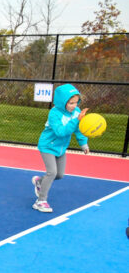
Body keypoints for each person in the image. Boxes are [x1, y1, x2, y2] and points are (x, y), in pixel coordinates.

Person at [31, 83, 90, 213]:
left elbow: (79, 130)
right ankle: (40, 201)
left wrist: (83, 144)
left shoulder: (77, 112)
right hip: (48, 146)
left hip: (61, 148)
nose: (74, 106)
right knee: (51, 172)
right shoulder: (54, 113)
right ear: (62, 102)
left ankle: (39, 182)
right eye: (71, 103)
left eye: (76, 102)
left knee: (59, 175)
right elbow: (60, 132)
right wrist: (76, 120)